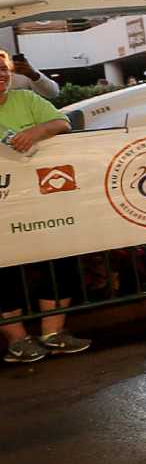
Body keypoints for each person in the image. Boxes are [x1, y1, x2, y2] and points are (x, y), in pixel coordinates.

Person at [1, 55, 91, 362]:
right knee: (4, 269)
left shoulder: (25, 97)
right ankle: (17, 340)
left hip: (40, 199)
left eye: (3, 69)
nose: (1, 75)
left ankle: (53, 334)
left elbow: (61, 122)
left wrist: (35, 133)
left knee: (61, 259)